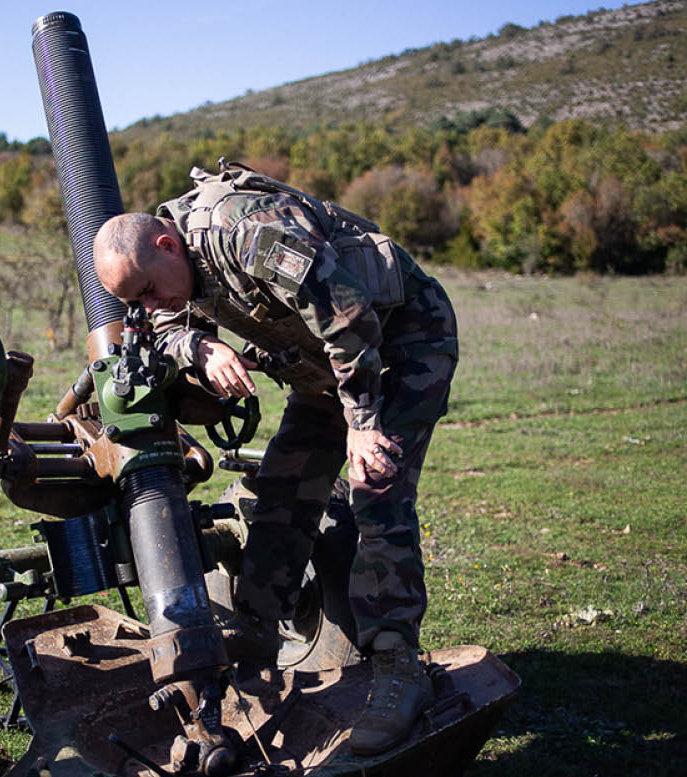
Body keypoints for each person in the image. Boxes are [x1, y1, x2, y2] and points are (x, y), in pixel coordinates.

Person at [93, 162, 458, 756]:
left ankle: (399, 669)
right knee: (284, 489)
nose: (153, 301)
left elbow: (346, 316)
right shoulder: (169, 265)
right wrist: (200, 344)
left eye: (150, 286)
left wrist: (362, 425)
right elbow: (160, 326)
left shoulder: (249, 231)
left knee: (376, 487)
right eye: (137, 297)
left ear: (166, 244)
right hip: (323, 367)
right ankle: (256, 641)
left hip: (400, 344)